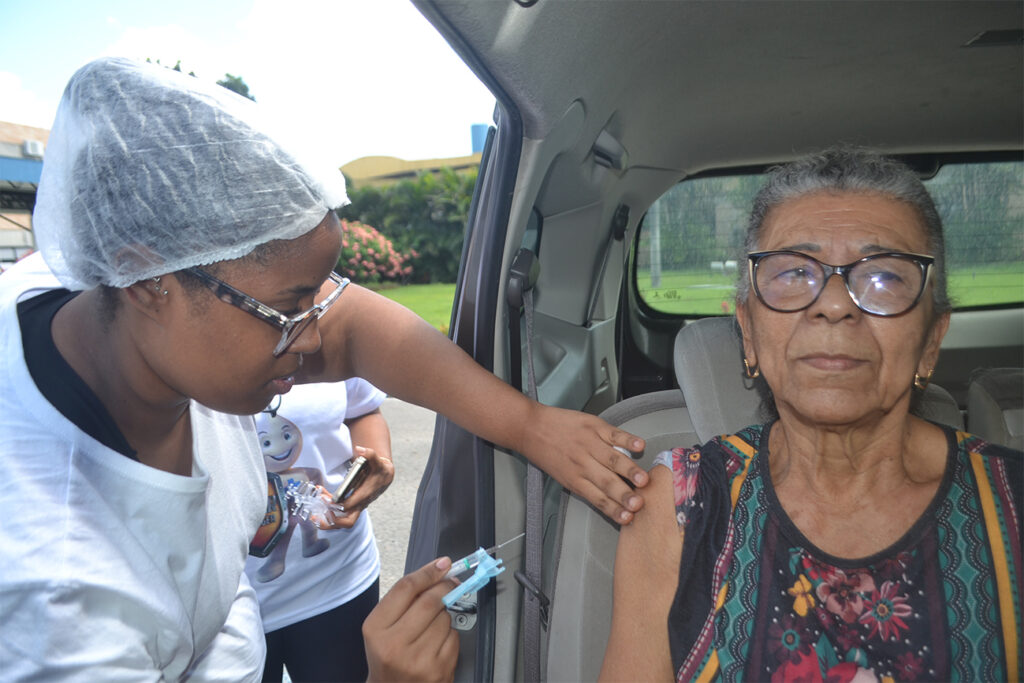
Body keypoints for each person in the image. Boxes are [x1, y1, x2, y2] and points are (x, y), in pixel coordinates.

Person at [0, 57, 649, 681]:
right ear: (148, 281)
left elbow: (356, 327)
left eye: (319, 294)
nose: (314, 335)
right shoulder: (61, 601)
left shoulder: (114, 296)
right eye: (288, 307)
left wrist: (530, 424)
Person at [600, 148, 1022, 682]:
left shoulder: (1013, 501)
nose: (835, 304)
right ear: (748, 332)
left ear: (931, 341)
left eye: (885, 277)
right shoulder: (681, 508)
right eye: (795, 272)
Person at [245, 379, 392, 682]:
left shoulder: (326, 331)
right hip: (222, 606)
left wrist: (375, 464)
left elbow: (362, 410)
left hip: (338, 581)